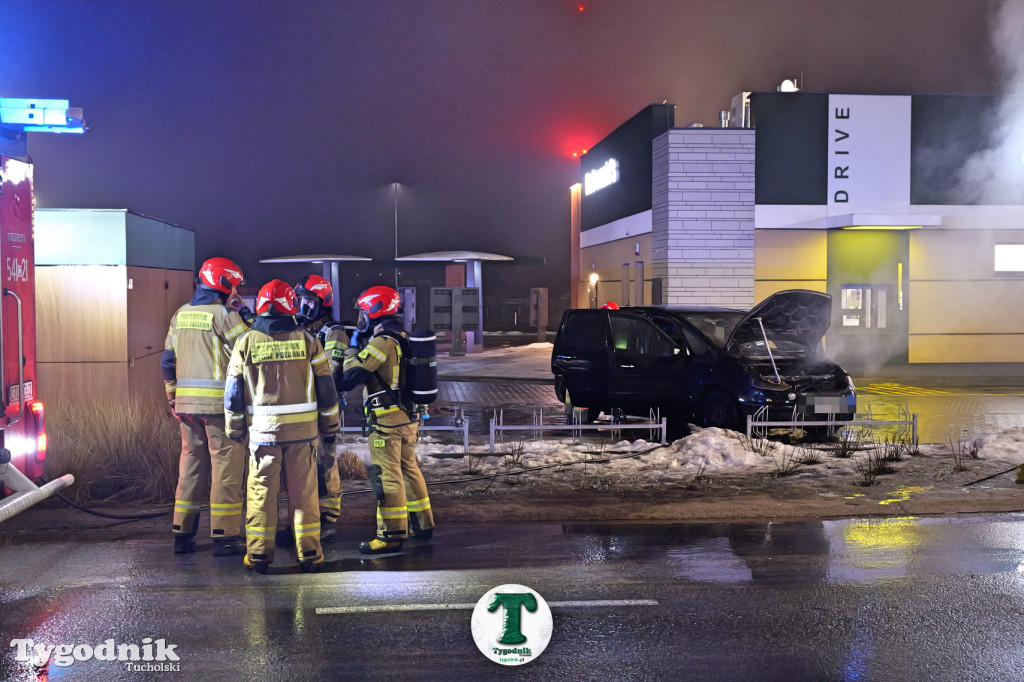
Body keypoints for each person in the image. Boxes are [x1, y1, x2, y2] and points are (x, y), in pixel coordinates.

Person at [225, 279, 340, 573]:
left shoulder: (245, 342)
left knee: (261, 495)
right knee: (304, 495)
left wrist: (235, 430)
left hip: (263, 436)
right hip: (304, 435)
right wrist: (330, 425)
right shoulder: (308, 340)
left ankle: (259, 556)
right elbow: (327, 390)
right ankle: (311, 555)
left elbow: (233, 393)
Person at [162, 257, 251, 556]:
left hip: (186, 406)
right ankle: (225, 536)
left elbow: (167, 361)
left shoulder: (180, 314)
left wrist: (172, 397)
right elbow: (248, 349)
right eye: (233, 286)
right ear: (224, 286)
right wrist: (245, 314)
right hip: (218, 408)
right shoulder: (224, 316)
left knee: (190, 468)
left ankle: (182, 535)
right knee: (226, 468)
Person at [337, 285, 435, 554]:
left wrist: (349, 352)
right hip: (407, 418)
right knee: (409, 470)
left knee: (387, 477)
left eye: (363, 312)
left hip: (386, 422)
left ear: (375, 311)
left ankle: (390, 534)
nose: (361, 319)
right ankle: (423, 525)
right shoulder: (403, 336)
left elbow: (351, 377)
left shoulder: (382, 342)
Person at [293, 274, 349, 542]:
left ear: (323, 302)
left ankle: (328, 518)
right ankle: (307, 518)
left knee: (325, 463)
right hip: (302, 408)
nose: (304, 306)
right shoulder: (300, 329)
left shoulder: (333, 332)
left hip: (324, 408)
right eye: (301, 300)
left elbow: (330, 371)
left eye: (310, 301)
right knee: (303, 467)